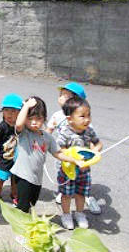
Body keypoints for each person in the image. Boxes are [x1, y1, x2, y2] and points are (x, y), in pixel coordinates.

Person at [10, 96, 84, 213]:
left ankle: (25, 220)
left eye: (38, 119)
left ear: (44, 118)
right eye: (30, 119)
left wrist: (74, 160)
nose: (34, 122)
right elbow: (18, 124)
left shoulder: (47, 137)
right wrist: (26, 106)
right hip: (22, 176)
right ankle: (21, 227)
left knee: (31, 203)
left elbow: (58, 153)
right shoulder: (24, 133)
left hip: (37, 179)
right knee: (22, 206)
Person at [46, 82, 102, 215]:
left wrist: (94, 152)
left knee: (80, 184)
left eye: (66, 96)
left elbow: (93, 140)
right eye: (61, 95)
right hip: (64, 156)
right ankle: (64, 193)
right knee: (65, 179)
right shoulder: (56, 116)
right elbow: (48, 131)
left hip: (82, 159)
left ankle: (84, 200)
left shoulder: (85, 121)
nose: (62, 99)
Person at [56, 97, 103, 229]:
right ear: (70, 118)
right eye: (82, 116)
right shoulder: (65, 131)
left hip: (84, 170)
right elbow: (59, 149)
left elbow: (98, 143)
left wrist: (95, 151)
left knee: (81, 193)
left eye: (88, 115)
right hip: (67, 171)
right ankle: (66, 214)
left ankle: (79, 213)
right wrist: (73, 157)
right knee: (66, 194)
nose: (87, 119)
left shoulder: (89, 131)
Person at [0, 93, 23, 209]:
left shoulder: (21, 126)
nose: (9, 114)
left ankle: (14, 195)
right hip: (4, 158)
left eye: (13, 111)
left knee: (15, 179)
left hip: (18, 159)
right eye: (6, 110)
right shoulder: (2, 127)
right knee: (1, 178)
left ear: (20, 112)